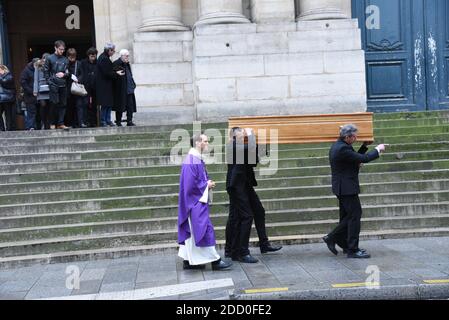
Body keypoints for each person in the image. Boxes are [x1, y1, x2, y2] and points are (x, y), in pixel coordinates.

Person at [323, 124, 387, 259]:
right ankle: (348, 247)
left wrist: (364, 146)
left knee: (347, 216)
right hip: (346, 187)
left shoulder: (341, 146)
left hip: (343, 187)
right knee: (354, 216)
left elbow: (355, 157)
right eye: (354, 136)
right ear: (347, 137)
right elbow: (363, 159)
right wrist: (377, 149)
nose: (356, 138)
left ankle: (344, 244)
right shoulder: (342, 148)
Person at [225, 127, 282, 264]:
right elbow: (250, 151)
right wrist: (251, 134)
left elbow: (254, 159)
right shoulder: (233, 146)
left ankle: (264, 244)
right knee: (246, 216)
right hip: (237, 186)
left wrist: (262, 142)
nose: (243, 135)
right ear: (234, 135)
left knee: (259, 211)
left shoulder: (240, 147)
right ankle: (242, 252)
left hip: (244, 184)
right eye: (241, 134)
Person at [178, 133, 232, 271]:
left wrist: (205, 183)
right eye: (206, 141)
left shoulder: (194, 159)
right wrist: (206, 185)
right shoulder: (192, 160)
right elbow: (191, 186)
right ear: (197, 143)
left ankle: (188, 261)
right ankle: (215, 260)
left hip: (194, 202)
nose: (208, 144)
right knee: (204, 229)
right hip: (194, 203)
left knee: (193, 232)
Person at [44, 40, 70, 130]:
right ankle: (52, 122)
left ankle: (60, 123)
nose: (62, 51)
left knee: (63, 104)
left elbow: (68, 72)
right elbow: (46, 71)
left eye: (63, 49)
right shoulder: (50, 58)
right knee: (54, 104)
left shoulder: (65, 59)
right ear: (55, 48)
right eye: (60, 49)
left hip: (63, 84)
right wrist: (49, 82)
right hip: (53, 84)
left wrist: (65, 74)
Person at [96, 43, 124, 127]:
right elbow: (107, 73)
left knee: (108, 104)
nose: (114, 52)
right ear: (109, 50)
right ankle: (103, 120)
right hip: (104, 85)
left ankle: (107, 120)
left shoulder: (105, 58)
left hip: (107, 85)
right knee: (105, 104)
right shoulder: (104, 58)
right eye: (113, 51)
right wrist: (117, 73)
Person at [113, 49, 137, 127]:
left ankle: (129, 121)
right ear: (122, 56)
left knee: (130, 106)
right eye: (126, 56)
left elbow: (130, 75)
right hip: (120, 89)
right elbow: (113, 75)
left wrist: (133, 84)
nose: (128, 57)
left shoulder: (127, 64)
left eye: (128, 56)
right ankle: (118, 121)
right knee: (120, 105)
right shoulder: (116, 63)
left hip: (129, 88)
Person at [66, 48, 86, 128]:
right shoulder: (65, 63)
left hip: (76, 86)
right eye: (70, 57)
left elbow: (82, 74)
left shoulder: (79, 63)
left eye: (73, 57)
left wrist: (78, 79)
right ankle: (71, 123)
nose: (72, 59)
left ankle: (80, 122)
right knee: (69, 106)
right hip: (67, 87)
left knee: (79, 105)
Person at [80, 47, 98, 127]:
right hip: (86, 87)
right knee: (85, 104)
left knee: (94, 105)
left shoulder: (97, 63)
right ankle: (86, 121)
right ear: (88, 55)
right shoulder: (83, 62)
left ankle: (94, 122)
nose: (93, 58)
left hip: (95, 87)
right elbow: (81, 73)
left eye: (94, 56)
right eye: (91, 56)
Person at [33, 53, 52, 130]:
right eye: (44, 59)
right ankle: (44, 123)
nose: (45, 60)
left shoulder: (52, 66)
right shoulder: (38, 66)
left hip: (50, 89)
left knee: (50, 107)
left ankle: (48, 123)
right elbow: (36, 79)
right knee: (43, 106)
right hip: (41, 90)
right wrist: (35, 90)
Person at [20, 58, 39, 131]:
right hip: (30, 96)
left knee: (38, 112)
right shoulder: (26, 71)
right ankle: (30, 127)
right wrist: (31, 91)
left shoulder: (39, 70)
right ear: (34, 64)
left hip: (38, 95)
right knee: (31, 112)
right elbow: (23, 82)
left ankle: (37, 126)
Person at [0, 65, 16, 131]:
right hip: (1, 98)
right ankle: (2, 128)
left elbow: (5, 82)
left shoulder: (9, 76)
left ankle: (9, 129)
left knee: (8, 115)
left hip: (7, 98)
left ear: (3, 70)